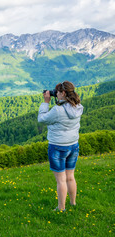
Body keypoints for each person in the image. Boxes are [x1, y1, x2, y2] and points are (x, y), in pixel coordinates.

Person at [38, 81, 83, 211]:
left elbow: (41, 119)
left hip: (57, 147)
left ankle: (61, 208)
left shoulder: (57, 110)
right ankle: (73, 203)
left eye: (57, 92)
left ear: (63, 93)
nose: (55, 94)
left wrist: (46, 102)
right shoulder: (78, 107)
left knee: (61, 180)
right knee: (70, 177)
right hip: (73, 145)